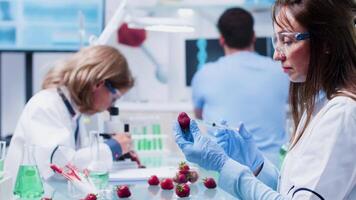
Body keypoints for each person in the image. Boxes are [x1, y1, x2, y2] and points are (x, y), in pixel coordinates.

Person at [174, 0, 356, 199]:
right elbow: (291, 191)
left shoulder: (341, 114)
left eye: (287, 40)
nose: (277, 54)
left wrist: (223, 165)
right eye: (276, 41)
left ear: (327, 43)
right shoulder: (320, 105)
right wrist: (255, 163)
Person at [5, 45, 135, 180]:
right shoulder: (46, 105)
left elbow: (78, 162)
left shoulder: (73, 114)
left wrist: (116, 154)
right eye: (114, 98)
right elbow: (59, 168)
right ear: (98, 84)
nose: (110, 107)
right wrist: (113, 148)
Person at [191, 7, 289, 166]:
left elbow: (200, 115)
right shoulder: (282, 71)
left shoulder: (204, 74)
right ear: (254, 37)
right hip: (273, 170)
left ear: (222, 40)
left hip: (224, 170)